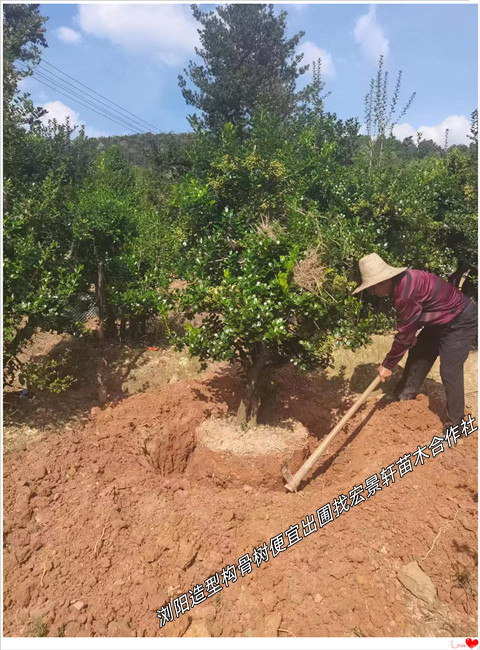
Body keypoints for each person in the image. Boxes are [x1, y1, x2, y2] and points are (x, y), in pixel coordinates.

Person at [353, 253, 478, 427]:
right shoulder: (402, 282)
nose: (372, 293)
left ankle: (455, 426)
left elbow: (404, 336)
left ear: (381, 282)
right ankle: (404, 395)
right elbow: (415, 319)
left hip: (460, 320)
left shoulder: (404, 292)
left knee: (450, 371)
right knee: (419, 352)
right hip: (440, 320)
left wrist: (388, 364)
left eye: (372, 288)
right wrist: (409, 336)